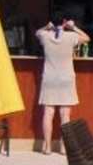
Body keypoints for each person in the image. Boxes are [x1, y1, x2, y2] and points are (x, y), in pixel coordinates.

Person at [36, 16, 89, 154]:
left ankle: (47, 147)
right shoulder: (71, 37)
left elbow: (37, 32)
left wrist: (46, 27)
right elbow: (87, 38)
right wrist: (73, 27)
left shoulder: (45, 36)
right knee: (65, 115)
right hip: (66, 79)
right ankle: (64, 147)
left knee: (48, 113)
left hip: (49, 78)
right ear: (64, 23)